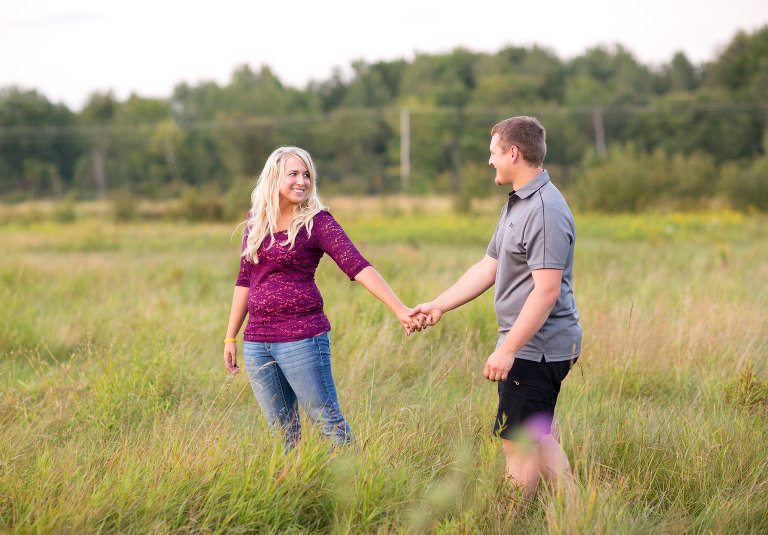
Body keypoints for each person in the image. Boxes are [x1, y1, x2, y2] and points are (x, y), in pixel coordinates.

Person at [410, 116, 581, 500]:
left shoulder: (543, 210)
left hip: (536, 349)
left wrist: (507, 350)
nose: (490, 161)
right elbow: (489, 266)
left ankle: (510, 519)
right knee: (536, 435)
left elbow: (546, 292)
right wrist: (439, 305)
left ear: (513, 153)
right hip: (530, 345)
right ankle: (577, 511)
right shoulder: (517, 204)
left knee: (517, 444)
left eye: (493, 153)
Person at [223, 146, 421, 450]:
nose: (302, 181)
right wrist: (230, 338)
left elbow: (358, 265)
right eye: (293, 174)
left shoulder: (317, 221)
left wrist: (399, 308)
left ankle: (355, 486)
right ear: (274, 177)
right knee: (281, 431)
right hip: (257, 343)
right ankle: (294, 490)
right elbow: (244, 280)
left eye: (306, 175)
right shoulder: (256, 221)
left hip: (302, 338)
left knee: (327, 419)